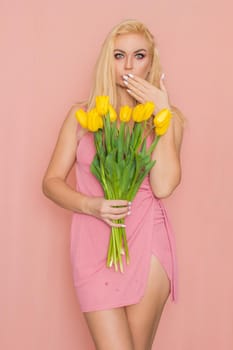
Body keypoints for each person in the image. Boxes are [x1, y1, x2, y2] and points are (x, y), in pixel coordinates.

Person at [42, 19, 184, 350]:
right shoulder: (82, 116)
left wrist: (162, 114)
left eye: (139, 55)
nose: (129, 65)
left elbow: (163, 186)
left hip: (147, 239)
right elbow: (50, 182)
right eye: (120, 55)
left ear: (151, 62)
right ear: (108, 59)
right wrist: (91, 205)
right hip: (93, 243)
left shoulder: (166, 118)